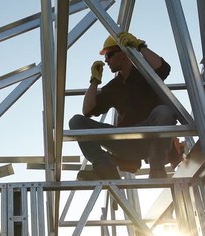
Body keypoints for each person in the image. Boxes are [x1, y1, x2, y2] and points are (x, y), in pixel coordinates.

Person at [69, 32, 178, 180]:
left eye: (109, 55)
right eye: (105, 57)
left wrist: (139, 46)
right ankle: (105, 168)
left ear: (124, 52)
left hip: (152, 137)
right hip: (126, 140)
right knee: (76, 122)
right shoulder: (114, 87)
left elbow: (163, 68)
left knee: (164, 112)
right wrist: (94, 81)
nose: (106, 60)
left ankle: (157, 168)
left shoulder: (145, 74)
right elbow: (88, 111)